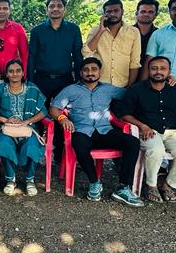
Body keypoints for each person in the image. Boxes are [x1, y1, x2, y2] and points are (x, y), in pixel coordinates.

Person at [50, 57, 143, 207]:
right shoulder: (71, 90)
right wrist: (63, 118)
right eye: (86, 70)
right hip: (82, 131)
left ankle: (123, 188)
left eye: (94, 69)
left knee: (132, 142)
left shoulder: (108, 89)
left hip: (105, 131)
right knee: (78, 143)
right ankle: (94, 182)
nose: (90, 73)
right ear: (81, 73)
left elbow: (132, 93)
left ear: (100, 71)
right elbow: (54, 108)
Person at [114, 56, 176, 203]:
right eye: (154, 68)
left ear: (169, 71)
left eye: (163, 68)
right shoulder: (137, 89)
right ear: (148, 70)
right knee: (156, 150)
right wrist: (142, 125)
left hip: (172, 132)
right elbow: (124, 114)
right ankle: (151, 185)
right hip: (148, 131)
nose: (158, 72)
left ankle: (168, 185)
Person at [0, 59, 48, 197]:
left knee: (32, 144)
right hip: (7, 128)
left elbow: (44, 111)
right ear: (6, 74)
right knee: (4, 144)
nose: (15, 74)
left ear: (23, 73)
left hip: (28, 128)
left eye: (18, 71)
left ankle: (30, 180)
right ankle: (10, 180)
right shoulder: (0, 89)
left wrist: (27, 121)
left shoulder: (32, 88)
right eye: (11, 71)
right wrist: (4, 120)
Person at [28, 0, 82, 103]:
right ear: (47, 10)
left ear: (64, 9)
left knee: (64, 111)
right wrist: (30, 81)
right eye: (52, 6)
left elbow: (78, 56)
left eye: (59, 6)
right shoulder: (37, 31)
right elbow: (31, 57)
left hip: (65, 80)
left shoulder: (73, 29)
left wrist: (78, 80)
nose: (55, 9)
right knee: (39, 111)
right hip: (41, 80)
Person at [83, 0, 141, 90]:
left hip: (123, 85)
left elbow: (135, 62)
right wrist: (101, 31)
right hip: (99, 85)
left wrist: (130, 87)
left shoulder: (133, 32)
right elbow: (86, 52)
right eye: (109, 11)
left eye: (116, 10)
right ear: (104, 14)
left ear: (122, 11)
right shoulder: (95, 30)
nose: (112, 14)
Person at [134, 0, 160, 68]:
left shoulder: (160, 35)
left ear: (156, 15)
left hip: (151, 72)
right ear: (136, 13)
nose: (146, 14)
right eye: (143, 11)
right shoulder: (126, 33)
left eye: (150, 12)